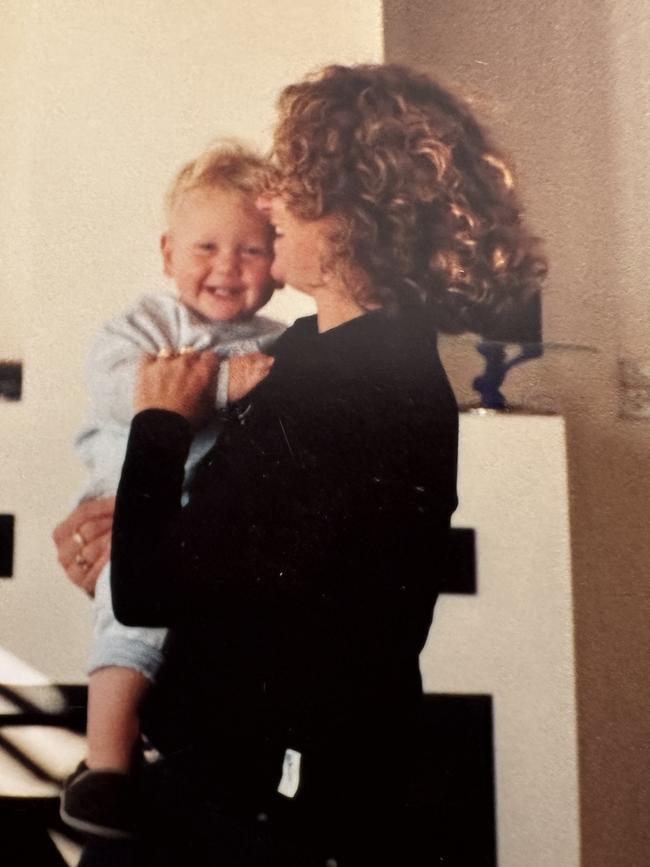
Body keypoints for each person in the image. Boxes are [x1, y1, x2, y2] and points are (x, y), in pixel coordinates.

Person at [56, 64, 544, 865]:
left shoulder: (351, 385)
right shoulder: (319, 351)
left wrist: (158, 429)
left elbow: (151, 589)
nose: (272, 203)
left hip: (265, 813)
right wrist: (116, 530)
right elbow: (214, 558)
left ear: (354, 215)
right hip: (235, 783)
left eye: (296, 182)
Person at [58, 141, 285, 839]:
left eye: (251, 250)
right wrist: (220, 382)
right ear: (166, 253)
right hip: (132, 503)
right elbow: (122, 387)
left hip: (214, 529)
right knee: (132, 613)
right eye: (207, 246)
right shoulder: (147, 325)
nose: (226, 266)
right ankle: (106, 765)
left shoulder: (281, 342)